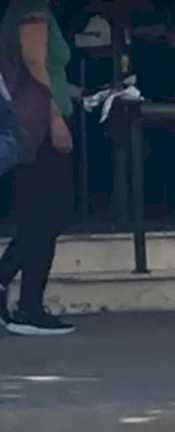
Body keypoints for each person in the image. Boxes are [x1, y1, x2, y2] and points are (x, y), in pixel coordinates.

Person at [0, 0, 76, 336]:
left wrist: (77, 95)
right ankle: (29, 306)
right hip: (39, 125)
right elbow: (34, 62)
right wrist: (57, 116)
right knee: (48, 211)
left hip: (32, 122)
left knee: (43, 212)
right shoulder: (31, 7)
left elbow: (48, 70)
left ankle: (10, 285)